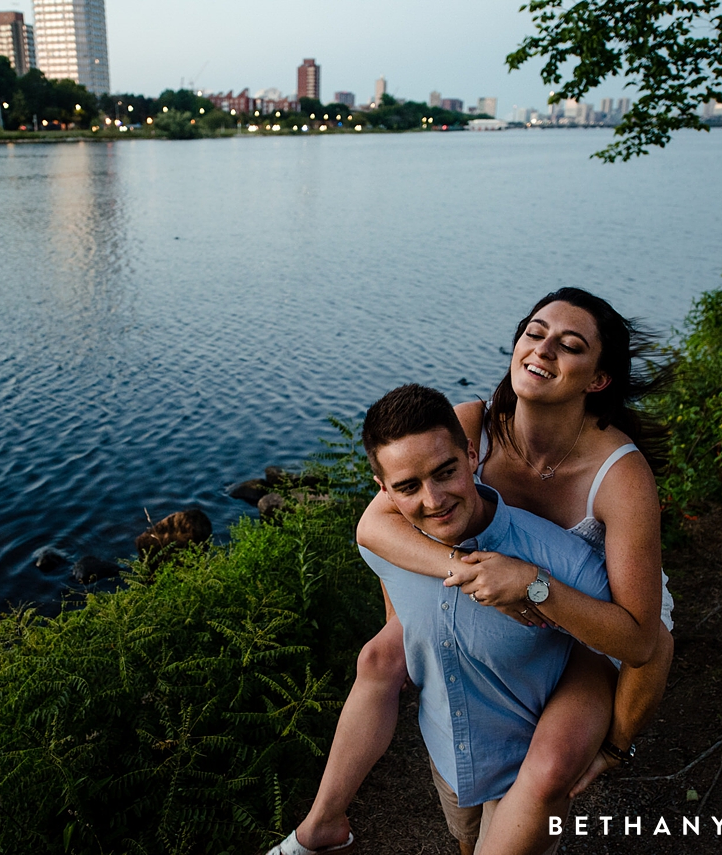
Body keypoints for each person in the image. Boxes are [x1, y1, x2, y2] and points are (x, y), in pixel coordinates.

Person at [271, 289, 674, 855]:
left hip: (595, 609)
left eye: (570, 344)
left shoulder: (620, 474)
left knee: (551, 763)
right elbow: (375, 526)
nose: (543, 349)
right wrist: (472, 569)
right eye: (535, 333)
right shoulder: (473, 426)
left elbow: (639, 635)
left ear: (598, 379)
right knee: (381, 655)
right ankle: (321, 828)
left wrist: (530, 585)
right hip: (494, 578)